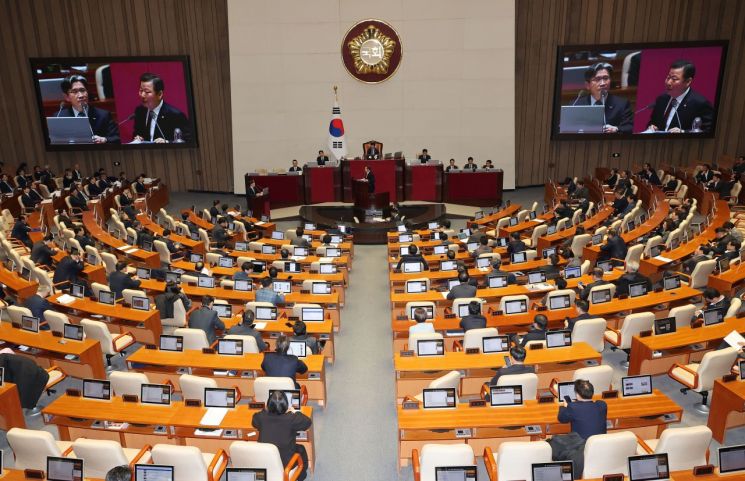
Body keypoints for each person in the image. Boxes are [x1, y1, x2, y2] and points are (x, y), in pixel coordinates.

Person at [252, 390, 312, 481]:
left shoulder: (261, 417)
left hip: (264, 461)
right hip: (286, 466)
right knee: (301, 448)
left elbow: (254, 421)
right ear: (286, 405)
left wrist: (265, 410)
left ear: (268, 405)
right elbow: (308, 422)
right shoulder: (291, 418)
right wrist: (294, 412)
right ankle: (301, 475)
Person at [552, 380, 608, 476]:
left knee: (553, 443)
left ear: (577, 395)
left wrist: (565, 407)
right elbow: (588, 410)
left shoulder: (573, 407)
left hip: (580, 445)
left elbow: (562, 419)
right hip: (600, 445)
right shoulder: (602, 405)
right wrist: (573, 405)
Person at [647, 59, 714, 133]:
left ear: (688, 81)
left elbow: (708, 131)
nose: (669, 82)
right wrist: (651, 127)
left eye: (674, 79)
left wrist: (683, 132)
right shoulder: (662, 99)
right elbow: (652, 122)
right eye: (668, 77)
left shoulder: (700, 103)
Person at [57, 75, 119, 143]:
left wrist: (104, 139)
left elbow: (117, 137)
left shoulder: (103, 115)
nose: (81, 95)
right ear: (67, 97)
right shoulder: (59, 117)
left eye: (83, 90)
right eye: (74, 91)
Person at [573, 62, 633, 133]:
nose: (603, 83)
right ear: (587, 85)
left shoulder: (622, 104)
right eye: (597, 79)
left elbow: (629, 127)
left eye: (606, 78)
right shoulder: (577, 105)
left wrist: (616, 129)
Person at [132, 72, 192, 143]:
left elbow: (188, 141)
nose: (142, 95)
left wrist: (167, 142)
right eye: (141, 90)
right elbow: (137, 133)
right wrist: (138, 138)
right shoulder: (140, 111)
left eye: (147, 92)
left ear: (160, 94)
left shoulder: (175, 115)